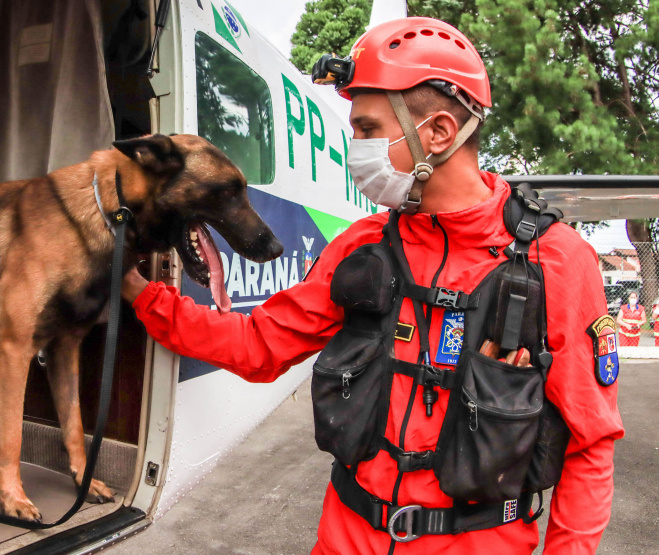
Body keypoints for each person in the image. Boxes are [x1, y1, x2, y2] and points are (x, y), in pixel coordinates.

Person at [121, 17, 623, 554]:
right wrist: (138, 291)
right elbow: (257, 347)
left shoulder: (557, 259)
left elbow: (589, 448)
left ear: (437, 133)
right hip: (346, 538)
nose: (355, 147)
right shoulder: (361, 247)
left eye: (366, 130)